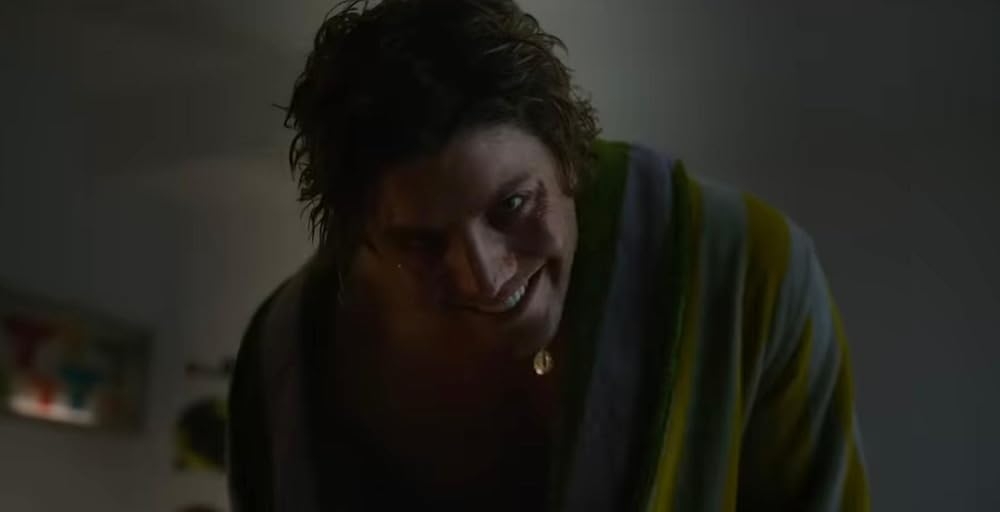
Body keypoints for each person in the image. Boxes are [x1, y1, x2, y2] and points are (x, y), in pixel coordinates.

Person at [226, 0, 871, 510]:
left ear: (568, 158)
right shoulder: (286, 365)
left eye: (512, 206)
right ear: (361, 238)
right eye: (422, 242)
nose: (484, 275)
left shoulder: (745, 273)